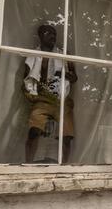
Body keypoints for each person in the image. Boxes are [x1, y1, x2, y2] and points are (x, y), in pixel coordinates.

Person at [23, 25, 77, 163]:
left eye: (54, 33)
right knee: (34, 131)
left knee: (66, 136)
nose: (52, 36)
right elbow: (26, 77)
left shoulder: (64, 55)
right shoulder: (33, 55)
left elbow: (75, 78)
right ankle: (28, 163)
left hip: (62, 99)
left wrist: (64, 74)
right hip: (42, 99)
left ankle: (64, 165)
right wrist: (29, 92)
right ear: (40, 35)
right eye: (48, 33)